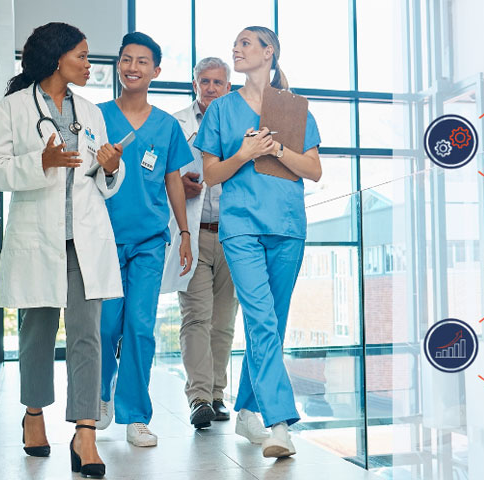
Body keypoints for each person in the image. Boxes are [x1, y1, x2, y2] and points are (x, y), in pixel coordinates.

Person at [0, 22, 126, 478]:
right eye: (82, 55)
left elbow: (104, 184)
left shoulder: (92, 112)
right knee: (37, 336)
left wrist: (110, 167)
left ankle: (85, 432)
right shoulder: (10, 109)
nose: (89, 64)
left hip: (84, 241)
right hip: (36, 239)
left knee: (88, 336)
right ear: (56, 57)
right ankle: (33, 415)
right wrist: (39, 161)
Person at [195, 26, 321, 458]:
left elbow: (314, 169)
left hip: (287, 226)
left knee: (273, 324)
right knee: (262, 321)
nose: (237, 48)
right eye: (236, 44)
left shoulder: (293, 107)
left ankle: (247, 407)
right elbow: (211, 175)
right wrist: (245, 155)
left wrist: (278, 151)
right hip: (241, 226)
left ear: (269, 52)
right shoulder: (221, 110)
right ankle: (279, 423)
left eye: (246, 43)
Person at [95, 32, 193, 447]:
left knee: (139, 325)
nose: (132, 67)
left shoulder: (167, 126)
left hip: (151, 241)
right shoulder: (97, 115)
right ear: (118, 65)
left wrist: (185, 232)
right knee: (103, 326)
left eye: (141, 61)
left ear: (156, 70)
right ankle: (100, 398)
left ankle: (135, 414)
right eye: (125, 59)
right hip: (101, 238)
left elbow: (173, 179)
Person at [161, 57, 239, 429]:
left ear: (228, 87)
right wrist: (176, 183)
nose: (210, 88)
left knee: (223, 322)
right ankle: (199, 399)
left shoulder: (242, 123)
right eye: (204, 81)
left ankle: (218, 395)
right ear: (194, 84)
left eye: (218, 82)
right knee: (196, 317)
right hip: (192, 233)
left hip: (232, 235)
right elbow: (161, 175)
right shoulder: (175, 124)